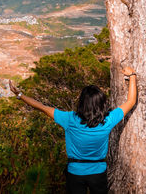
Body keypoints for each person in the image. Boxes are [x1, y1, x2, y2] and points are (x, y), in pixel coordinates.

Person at [9, 67, 137, 194]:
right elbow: (131, 102)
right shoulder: (108, 121)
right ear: (101, 103)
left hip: (75, 172)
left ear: (82, 102)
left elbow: (42, 107)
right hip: (98, 172)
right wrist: (132, 75)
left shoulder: (70, 119)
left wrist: (19, 94)